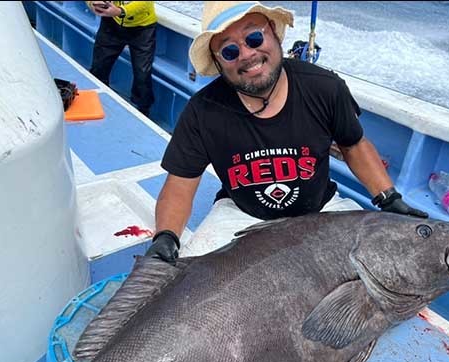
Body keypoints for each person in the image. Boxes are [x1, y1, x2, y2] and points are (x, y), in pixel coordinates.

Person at [146, 1, 427, 263]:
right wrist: (166, 237)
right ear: (219, 63)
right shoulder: (202, 111)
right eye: (229, 51)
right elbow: (180, 184)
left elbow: (353, 145)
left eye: (254, 38)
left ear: (275, 34)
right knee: (190, 279)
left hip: (320, 210)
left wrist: (389, 198)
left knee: (381, 267)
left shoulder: (325, 87)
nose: (247, 54)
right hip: (241, 215)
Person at [86, 1, 157, 117]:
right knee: (99, 67)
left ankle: (143, 111)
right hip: (111, 22)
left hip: (142, 27)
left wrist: (121, 11)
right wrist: (91, 3)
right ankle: (98, 101)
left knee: (142, 74)